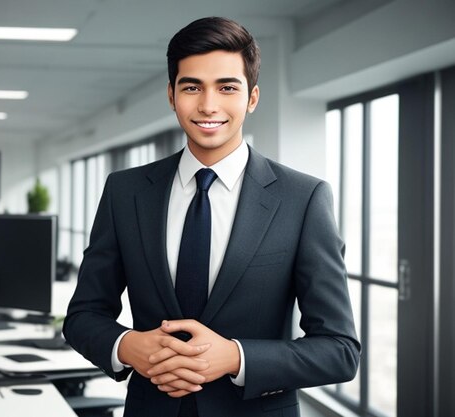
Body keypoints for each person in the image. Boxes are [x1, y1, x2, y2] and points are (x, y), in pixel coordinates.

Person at [64, 17, 360, 417]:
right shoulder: (126, 191)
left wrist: (235, 358)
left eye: (227, 87)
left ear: (252, 98)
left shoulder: (302, 198)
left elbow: (339, 349)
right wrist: (130, 347)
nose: (208, 105)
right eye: (191, 87)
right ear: (171, 95)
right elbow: (83, 316)